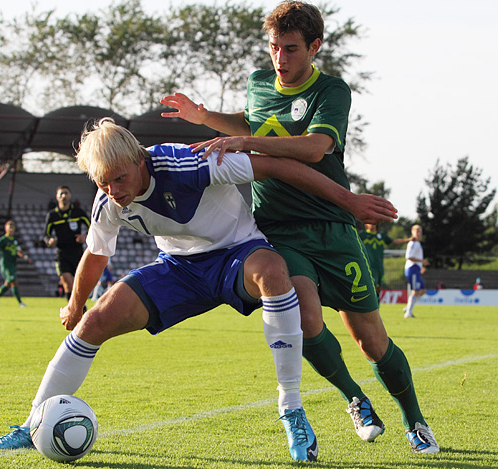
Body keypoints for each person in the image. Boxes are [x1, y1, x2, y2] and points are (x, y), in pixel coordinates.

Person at [0, 118, 395, 461]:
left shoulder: (190, 163)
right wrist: (75, 305)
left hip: (237, 252)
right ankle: (30, 424)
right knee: (95, 320)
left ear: (139, 159)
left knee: (273, 270)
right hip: (178, 268)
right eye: (103, 183)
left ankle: (291, 409)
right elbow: (95, 253)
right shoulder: (107, 200)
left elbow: (274, 167)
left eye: (119, 179)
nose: (114, 192)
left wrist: (349, 201)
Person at [160, 0, 439, 454]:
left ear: (315, 47)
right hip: (275, 230)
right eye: (274, 48)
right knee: (304, 318)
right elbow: (249, 121)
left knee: (371, 339)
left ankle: (415, 420)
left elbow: (314, 149)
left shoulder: (332, 91)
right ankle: (356, 398)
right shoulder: (257, 83)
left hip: (331, 226)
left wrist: (244, 143)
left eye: (291, 49)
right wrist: (205, 117)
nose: (280, 59)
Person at [43, 185, 90, 301]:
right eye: (61, 194)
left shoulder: (78, 212)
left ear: (70, 195)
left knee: (78, 285)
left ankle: (78, 309)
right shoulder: (52, 215)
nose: (64, 196)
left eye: (66, 193)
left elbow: (93, 227)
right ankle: (74, 313)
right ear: (57, 197)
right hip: (61, 253)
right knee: (68, 284)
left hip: (77, 252)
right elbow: (45, 235)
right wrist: (49, 241)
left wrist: (85, 237)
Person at [0, 220, 32, 307]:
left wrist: (26, 257)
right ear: (6, 229)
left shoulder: (14, 241)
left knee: (9, 284)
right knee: (13, 282)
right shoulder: (3, 240)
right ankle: (20, 303)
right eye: (9, 227)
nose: (11, 229)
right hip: (6, 265)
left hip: (13, 264)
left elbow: (19, 251)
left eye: (12, 227)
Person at [359, 223, 413, 297]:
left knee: (379, 288)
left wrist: (408, 239)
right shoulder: (363, 235)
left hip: (380, 267)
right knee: (372, 287)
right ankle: (370, 306)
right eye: (370, 222)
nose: (372, 224)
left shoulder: (381, 236)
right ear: (366, 224)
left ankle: (377, 306)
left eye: (373, 222)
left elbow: (394, 241)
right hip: (369, 266)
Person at [404, 225, 428, 319]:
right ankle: (408, 313)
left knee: (422, 290)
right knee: (415, 290)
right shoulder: (412, 243)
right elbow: (408, 257)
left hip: (416, 269)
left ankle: (408, 307)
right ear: (412, 232)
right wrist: (421, 262)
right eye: (417, 231)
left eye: (420, 231)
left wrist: (420, 266)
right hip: (412, 269)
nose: (419, 233)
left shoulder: (418, 243)